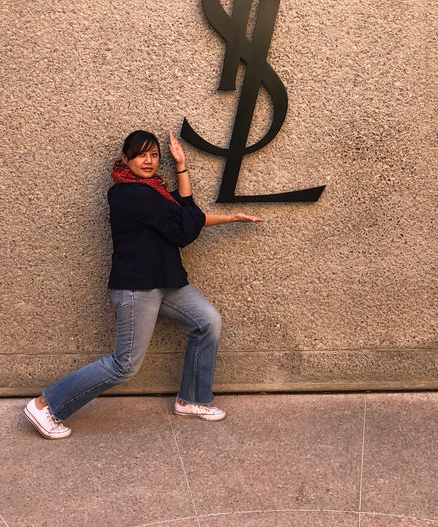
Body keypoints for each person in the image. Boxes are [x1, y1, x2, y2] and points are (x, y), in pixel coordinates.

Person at [23, 129, 264, 438]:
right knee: (124, 365)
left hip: (165, 282)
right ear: (126, 159)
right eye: (141, 155)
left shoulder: (154, 190)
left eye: (154, 155)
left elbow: (183, 210)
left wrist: (220, 208)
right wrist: (211, 210)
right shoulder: (132, 194)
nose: (149, 161)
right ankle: (46, 405)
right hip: (138, 289)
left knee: (207, 322)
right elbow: (184, 227)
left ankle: (191, 399)